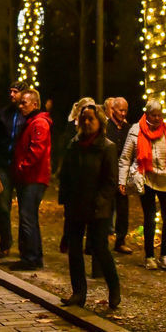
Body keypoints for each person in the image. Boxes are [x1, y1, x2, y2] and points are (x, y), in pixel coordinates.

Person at [57, 102, 120, 310]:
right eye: (83, 118)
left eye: (90, 118)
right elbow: (65, 175)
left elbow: (110, 181)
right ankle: (78, 292)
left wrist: (100, 202)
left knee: (100, 249)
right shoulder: (74, 144)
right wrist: (65, 200)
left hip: (97, 208)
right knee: (74, 250)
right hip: (76, 205)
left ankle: (114, 288)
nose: (86, 122)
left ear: (99, 122)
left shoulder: (107, 147)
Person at [117, 99, 166, 270]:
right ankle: (149, 256)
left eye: (159, 115)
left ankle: (164, 254)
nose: (157, 119)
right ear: (147, 114)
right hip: (147, 178)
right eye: (153, 115)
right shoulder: (136, 130)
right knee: (149, 217)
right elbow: (125, 158)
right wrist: (122, 180)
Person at [10, 88, 51, 271]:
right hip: (30, 177)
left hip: (33, 178)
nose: (20, 106)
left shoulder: (39, 123)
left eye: (24, 103)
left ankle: (31, 257)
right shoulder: (33, 122)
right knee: (29, 217)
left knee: (28, 218)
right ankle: (33, 255)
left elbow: (37, 150)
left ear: (35, 104)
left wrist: (22, 167)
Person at [0, 82, 25, 259]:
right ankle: (5, 243)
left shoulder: (26, 115)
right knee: (4, 208)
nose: (12, 95)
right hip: (4, 165)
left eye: (15, 92)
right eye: (10, 91)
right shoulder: (3, 114)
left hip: (20, 167)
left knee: (24, 210)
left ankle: (23, 246)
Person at [103, 97, 132, 253]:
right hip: (108, 173)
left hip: (123, 174)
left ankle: (120, 241)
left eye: (125, 110)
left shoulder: (128, 128)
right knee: (105, 208)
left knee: (123, 209)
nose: (123, 113)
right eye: (120, 110)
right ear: (112, 110)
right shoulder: (106, 127)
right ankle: (101, 240)